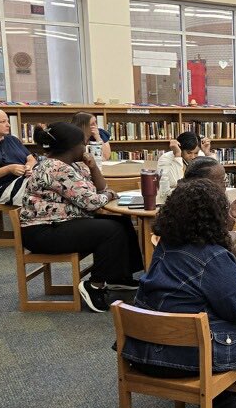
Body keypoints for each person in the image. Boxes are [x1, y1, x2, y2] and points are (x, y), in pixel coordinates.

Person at [122, 178, 236, 378]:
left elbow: (199, 271)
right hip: (183, 356)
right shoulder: (214, 256)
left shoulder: (165, 244)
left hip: (142, 348)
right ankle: (229, 388)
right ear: (214, 217)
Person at [19, 122, 144, 313]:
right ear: (72, 147)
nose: (85, 147)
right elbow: (93, 202)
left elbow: (100, 188)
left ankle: (120, 277)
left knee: (120, 220)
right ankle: (94, 285)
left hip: (61, 223)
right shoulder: (56, 169)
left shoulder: (74, 165)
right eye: (83, 143)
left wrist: (93, 166)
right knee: (111, 231)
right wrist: (109, 196)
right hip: (43, 231)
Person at [157, 131, 215, 202]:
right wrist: (177, 156)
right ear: (180, 148)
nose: (193, 157)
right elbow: (168, 191)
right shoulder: (165, 159)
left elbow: (216, 177)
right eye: (189, 153)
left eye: (196, 153)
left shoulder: (200, 156)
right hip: (173, 202)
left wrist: (207, 153)